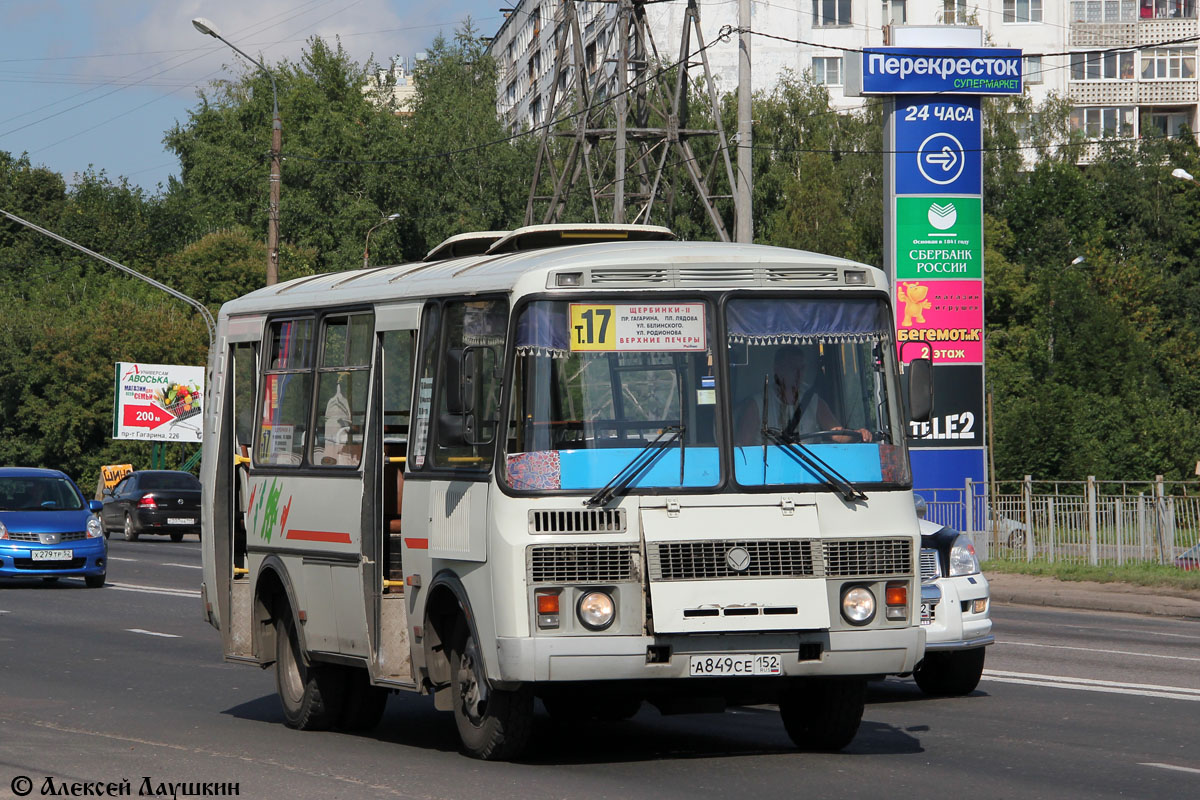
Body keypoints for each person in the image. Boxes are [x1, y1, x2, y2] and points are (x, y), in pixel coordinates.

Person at [735, 345, 872, 444]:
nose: (799, 373)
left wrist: (858, 434)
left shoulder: (813, 401)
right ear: (778, 369)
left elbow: (837, 434)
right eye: (793, 368)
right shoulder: (757, 405)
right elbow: (742, 450)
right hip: (769, 475)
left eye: (802, 368)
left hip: (806, 471)